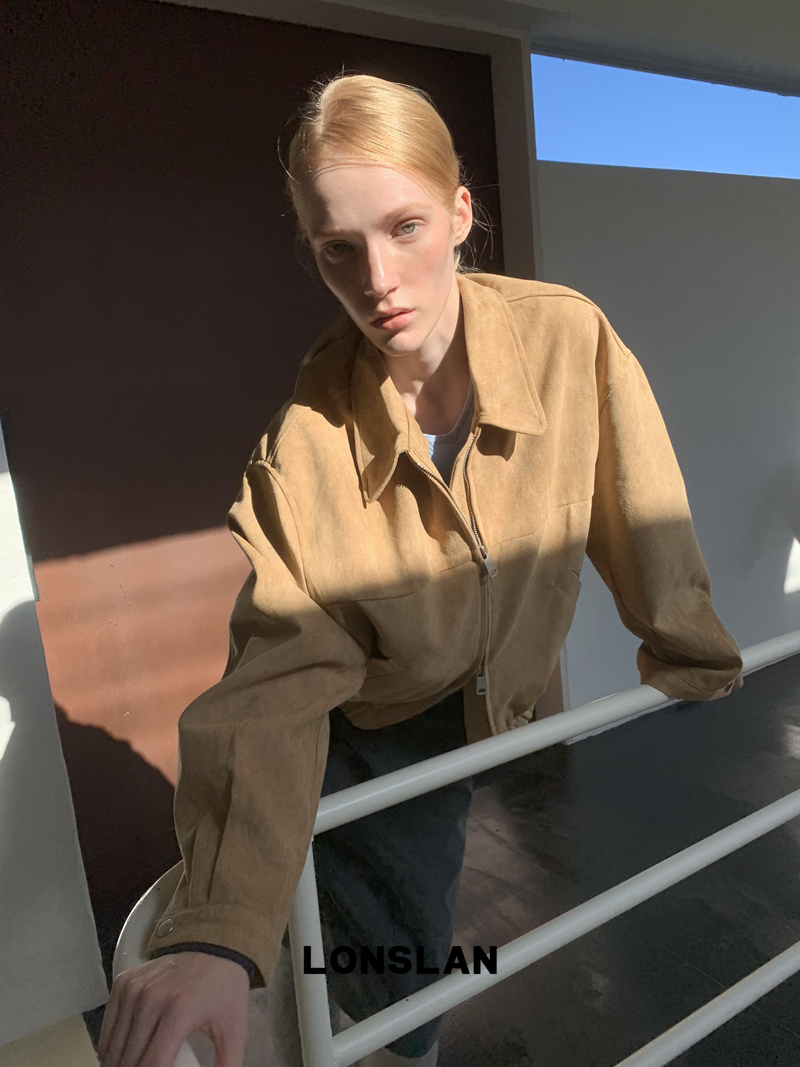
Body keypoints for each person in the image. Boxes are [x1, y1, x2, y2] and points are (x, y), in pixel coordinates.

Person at [97, 72, 744, 1067]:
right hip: (375, 725)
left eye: (404, 227)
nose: (378, 280)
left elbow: (640, 506)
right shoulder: (301, 450)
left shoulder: (567, 337)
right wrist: (213, 933)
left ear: (460, 212)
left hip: (497, 695)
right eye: (338, 249)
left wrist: (694, 655)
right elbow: (271, 685)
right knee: (403, 978)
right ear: (313, 253)